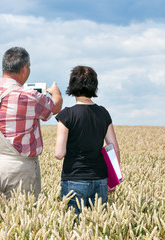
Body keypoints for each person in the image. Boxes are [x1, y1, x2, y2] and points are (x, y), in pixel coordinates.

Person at [0, 47, 62, 199]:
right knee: (23, 215)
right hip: (19, 167)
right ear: (24, 69)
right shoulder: (29, 96)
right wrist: (56, 93)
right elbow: (55, 107)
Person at [54, 65, 120, 216]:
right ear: (94, 86)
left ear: (72, 86)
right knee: (97, 227)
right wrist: (114, 179)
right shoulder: (103, 113)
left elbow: (59, 153)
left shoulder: (67, 115)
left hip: (74, 179)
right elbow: (113, 148)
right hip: (100, 179)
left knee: (73, 227)